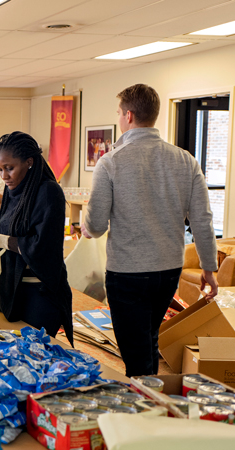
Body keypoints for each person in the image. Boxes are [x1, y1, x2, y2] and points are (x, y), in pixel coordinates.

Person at [83, 83, 218, 377]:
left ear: (129, 116)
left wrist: (85, 221)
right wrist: (209, 267)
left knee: (136, 354)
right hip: (169, 269)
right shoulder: (185, 160)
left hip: (128, 272)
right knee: (149, 340)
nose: (119, 119)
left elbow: (94, 226)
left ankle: (143, 409)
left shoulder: (111, 162)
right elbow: (203, 219)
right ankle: (152, 399)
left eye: (119, 113)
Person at [0, 132, 74, 344]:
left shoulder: (49, 192)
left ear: (29, 162)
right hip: (14, 291)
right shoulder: (12, 191)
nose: (4, 176)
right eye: (0, 169)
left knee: (37, 355)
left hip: (40, 294)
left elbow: (41, 246)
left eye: (9, 168)